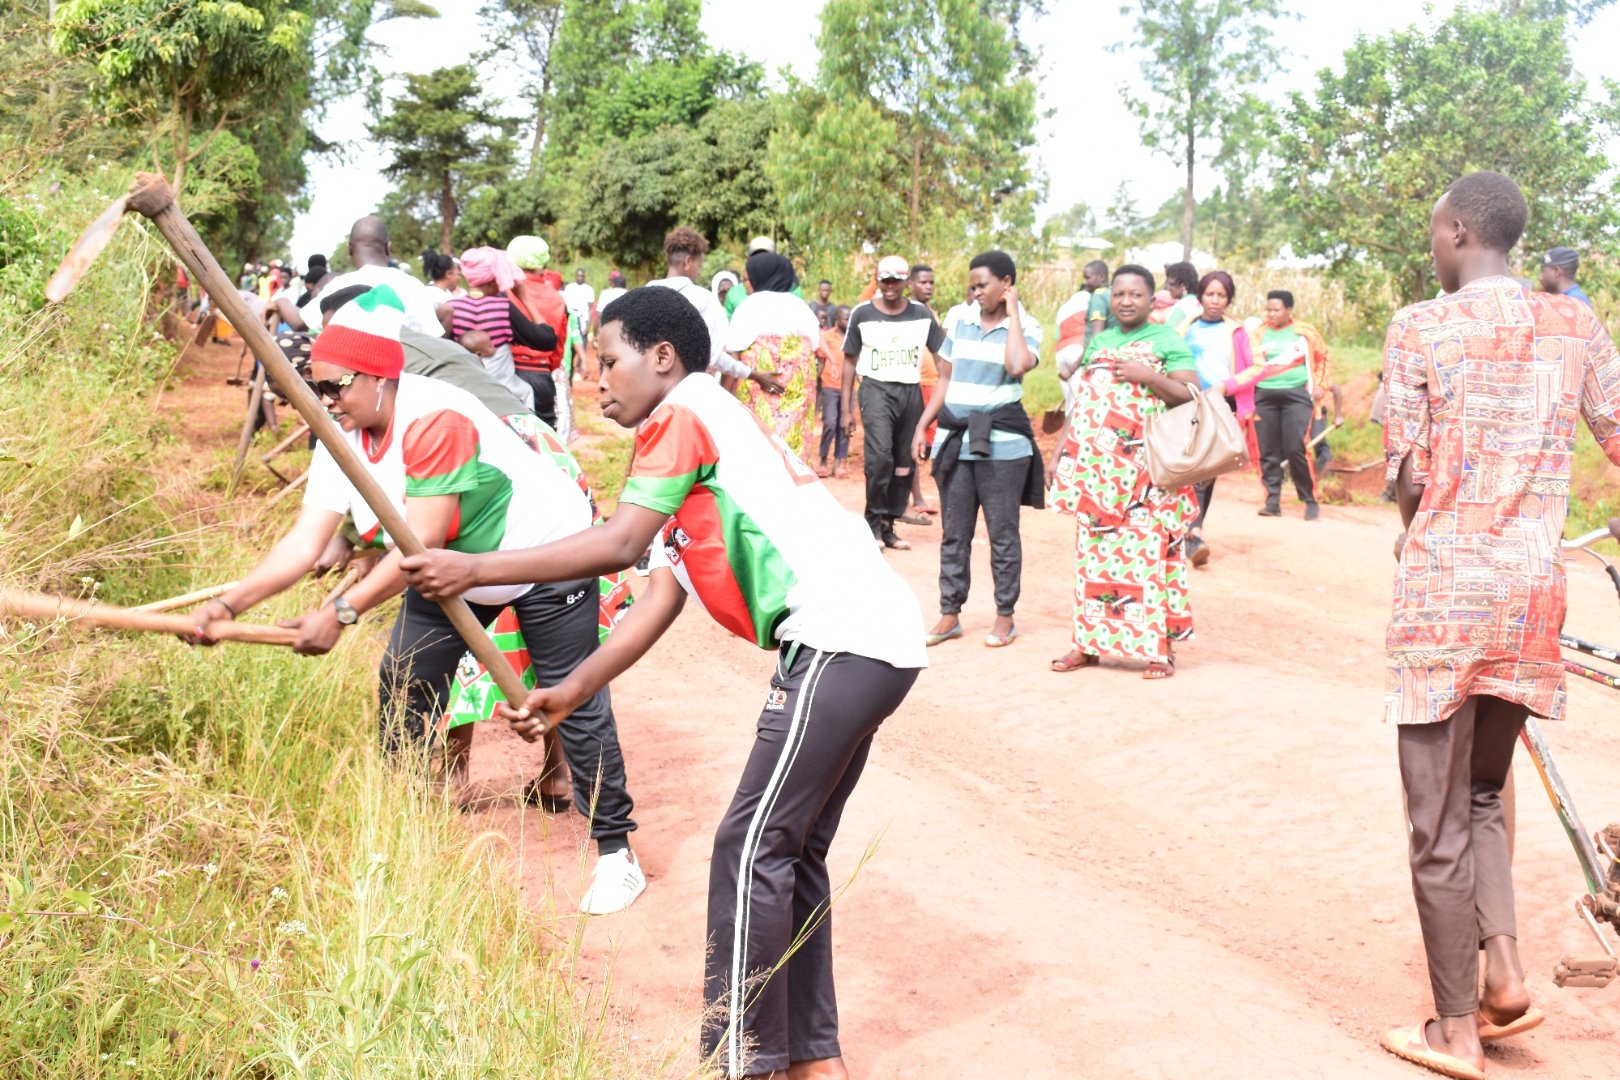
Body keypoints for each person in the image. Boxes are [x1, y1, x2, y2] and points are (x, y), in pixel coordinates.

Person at [399, 285, 926, 1080]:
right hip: (869, 639)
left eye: (609, 361)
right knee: (791, 850)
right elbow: (656, 597)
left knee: (751, 848)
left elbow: (617, 544)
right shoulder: (698, 432)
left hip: (841, 637)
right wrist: (569, 690)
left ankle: (740, 1062)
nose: (597, 381)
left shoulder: (684, 413)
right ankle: (812, 1058)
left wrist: (473, 567)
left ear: (663, 357)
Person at [192, 284, 645, 914]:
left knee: (574, 696)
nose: (325, 401)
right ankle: (399, 832)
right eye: (316, 390)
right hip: (454, 568)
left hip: (546, 551)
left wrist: (341, 613)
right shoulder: (340, 436)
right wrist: (228, 606)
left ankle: (617, 852)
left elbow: (421, 539)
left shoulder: (435, 417)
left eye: (335, 387)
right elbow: (303, 543)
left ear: (380, 378)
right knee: (404, 681)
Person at [1378, 170, 1620, 1080]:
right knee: (1484, 792)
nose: (1433, 245)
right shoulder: (1576, 325)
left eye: (1434, 230)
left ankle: (1453, 1031)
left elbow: (1406, 474)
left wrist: (1419, 526)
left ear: (1456, 231)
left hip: (1444, 595)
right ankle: (1504, 978)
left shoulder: (1419, 326)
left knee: (1435, 819)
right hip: (1531, 594)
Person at [1049, 265, 1197, 680]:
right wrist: (1059, 452)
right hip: (1097, 476)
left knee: (1149, 559)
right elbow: (1083, 403)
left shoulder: (1167, 340)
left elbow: (1190, 395)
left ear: (1152, 300)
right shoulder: (1100, 342)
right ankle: (1087, 644)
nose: (1126, 301)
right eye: (1119, 294)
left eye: (1135, 294)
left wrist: (1149, 376)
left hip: (1146, 476)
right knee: (1093, 561)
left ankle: (1158, 651)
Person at [913, 250, 1043, 649]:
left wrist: (1013, 314)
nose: (976, 293)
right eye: (972, 286)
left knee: (1003, 534)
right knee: (955, 533)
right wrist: (922, 425)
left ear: (1006, 283)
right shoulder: (959, 318)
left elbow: (1017, 365)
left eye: (983, 285)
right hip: (956, 440)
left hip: (1004, 446)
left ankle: (1005, 616)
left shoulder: (1028, 326)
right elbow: (945, 379)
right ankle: (949, 613)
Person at [842, 255, 946, 551]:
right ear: (877, 280)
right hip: (876, 390)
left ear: (905, 283)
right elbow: (849, 361)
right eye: (884, 280)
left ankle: (889, 525)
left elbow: (941, 357)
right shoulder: (862, 313)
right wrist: (846, 410)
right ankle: (872, 522)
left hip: (910, 391)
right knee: (880, 458)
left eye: (896, 281)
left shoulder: (921, 315)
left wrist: (946, 388)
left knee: (905, 463)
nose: (890, 286)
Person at [1174, 270, 1256, 566]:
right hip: (1185, 403)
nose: (1215, 300)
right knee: (1186, 466)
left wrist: (1226, 386)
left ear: (1229, 299)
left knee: (1207, 470)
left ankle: (1194, 531)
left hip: (1221, 405)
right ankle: (1187, 530)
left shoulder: (1238, 332)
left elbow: (1257, 367)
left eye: (1222, 295)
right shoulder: (1184, 327)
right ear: (1200, 296)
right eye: (1210, 294)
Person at [647, 227, 780, 397]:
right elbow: (712, 354)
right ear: (687, 262)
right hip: (687, 393)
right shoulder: (703, 299)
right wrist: (753, 374)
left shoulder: (645, 293)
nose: (699, 271)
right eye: (699, 265)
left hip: (648, 391)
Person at [276, 216, 442, 336]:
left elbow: (298, 322)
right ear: (388, 247)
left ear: (349, 248)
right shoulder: (412, 285)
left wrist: (280, 301)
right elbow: (434, 337)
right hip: (408, 372)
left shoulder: (340, 284)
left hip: (356, 374)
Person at [726, 252, 822, 457]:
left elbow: (733, 356)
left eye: (747, 279)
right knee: (793, 451)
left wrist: (724, 394)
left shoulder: (748, 307)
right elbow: (814, 346)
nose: (745, 286)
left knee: (759, 450)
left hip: (758, 391)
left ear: (761, 277)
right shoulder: (801, 307)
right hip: (796, 395)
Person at [441, 246, 559, 413]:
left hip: (464, 397)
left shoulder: (452, 307)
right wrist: (524, 297)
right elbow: (547, 340)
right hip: (503, 401)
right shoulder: (502, 308)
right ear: (491, 282)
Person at [1248, 289, 1327, 520]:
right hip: (1264, 396)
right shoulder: (1258, 334)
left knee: (1295, 447)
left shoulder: (1305, 333)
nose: (1271, 314)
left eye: (1276, 310)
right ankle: (1272, 501)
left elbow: (1323, 358)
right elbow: (1246, 362)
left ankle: (1310, 499)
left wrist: (1320, 384)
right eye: (1269, 310)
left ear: (1289, 310)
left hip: (1297, 395)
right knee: (1267, 450)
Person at [905, 264, 942, 521]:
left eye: (931, 282)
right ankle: (916, 497)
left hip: (935, 384)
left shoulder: (931, 313)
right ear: (910, 284)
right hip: (914, 384)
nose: (928, 287)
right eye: (922, 282)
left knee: (933, 444)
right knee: (912, 441)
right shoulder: (906, 312)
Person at [815, 305, 852, 478]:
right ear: (837, 320)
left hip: (849, 387)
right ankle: (823, 459)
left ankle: (839, 462)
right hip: (830, 384)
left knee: (844, 425)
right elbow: (821, 359)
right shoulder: (827, 336)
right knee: (830, 422)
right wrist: (816, 381)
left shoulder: (854, 336)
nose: (849, 321)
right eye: (846, 318)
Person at [562, 268, 596, 365]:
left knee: (582, 344)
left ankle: (580, 366)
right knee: (570, 344)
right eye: (578, 276)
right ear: (575, 276)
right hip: (571, 319)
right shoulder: (569, 287)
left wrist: (588, 325)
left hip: (583, 319)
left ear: (584, 277)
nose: (580, 278)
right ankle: (571, 365)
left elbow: (590, 309)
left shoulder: (589, 289)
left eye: (582, 276)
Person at [1163, 261, 1202, 328]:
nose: (1168, 288)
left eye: (1171, 284)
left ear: (1183, 285)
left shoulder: (1183, 305)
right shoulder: (1200, 302)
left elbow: (1168, 331)